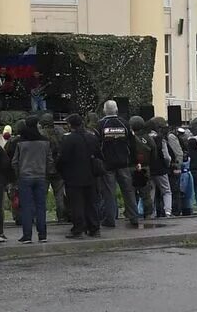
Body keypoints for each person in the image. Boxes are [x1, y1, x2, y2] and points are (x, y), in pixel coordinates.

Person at [96, 100, 141, 229]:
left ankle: (109, 220)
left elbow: (97, 146)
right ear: (116, 110)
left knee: (109, 193)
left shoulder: (100, 125)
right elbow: (132, 145)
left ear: (104, 111)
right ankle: (134, 218)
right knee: (128, 191)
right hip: (124, 164)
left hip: (107, 164)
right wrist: (135, 161)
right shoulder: (125, 124)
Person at [57, 113, 103, 238]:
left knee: (77, 204)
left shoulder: (68, 139)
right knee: (91, 202)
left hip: (74, 176)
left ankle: (78, 229)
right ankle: (94, 228)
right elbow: (99, 154)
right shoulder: (92, 137)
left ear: (70, 125)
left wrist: (61, 171)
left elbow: (62, 158)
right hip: (91, 175)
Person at [9, 117, 54, 242]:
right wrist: (47, 172)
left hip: (25, 176)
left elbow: (15, 162)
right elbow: (49, 160)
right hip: (41, 176)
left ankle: (27, 235)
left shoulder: (20, 142)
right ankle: (42, 235)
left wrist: (18, 175)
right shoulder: (45, 142)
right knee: (41, 206)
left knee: (26, 207)